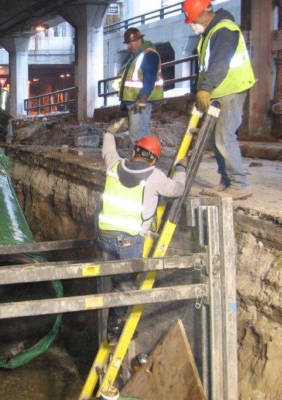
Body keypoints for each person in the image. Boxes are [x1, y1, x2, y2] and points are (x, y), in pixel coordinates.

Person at [98, 118, 187, 342]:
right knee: (126, 285)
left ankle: (114, 316)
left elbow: (108, 145)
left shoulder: (114, 165)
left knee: (118, 279)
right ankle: (114, 332)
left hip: (104, 237)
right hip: (128, 241)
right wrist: (181, 168)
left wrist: (111, 129)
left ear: (134, 152)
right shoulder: (154, 176)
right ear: (154, 160)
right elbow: (176, 189)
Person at [183, 0, 255, 200]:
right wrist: (199, 90)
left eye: (193, 18)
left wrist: (205, 89)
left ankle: (240, 183)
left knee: (224, 137)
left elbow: (220, 63)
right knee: (217, 140)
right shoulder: (211, 33)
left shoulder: (224, 31)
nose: (191, 23)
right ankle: (226, 181)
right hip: (219, 91)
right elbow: (206, 67)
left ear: (205, 13)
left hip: (230, 91)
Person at [118, 28, 164, 144]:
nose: (129, 46)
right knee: (137, 133)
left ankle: (142, 160)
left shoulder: (148, 55)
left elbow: (150, 77)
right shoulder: (137, 55)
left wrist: (143, 97)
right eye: (128, 43)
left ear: (139, 40)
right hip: (135, 101)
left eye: (130, 43)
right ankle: (142, 159)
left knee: (138, 135)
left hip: (140, 101)